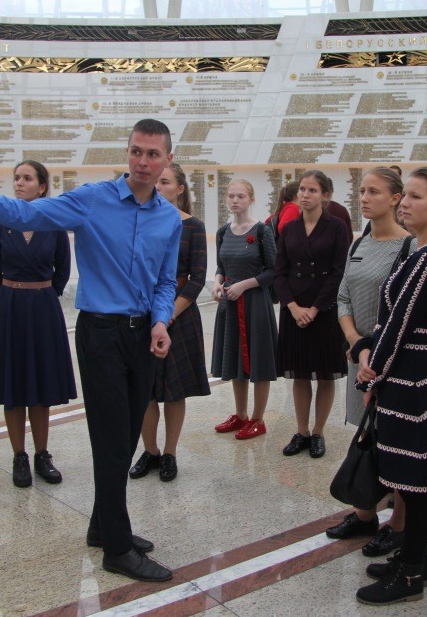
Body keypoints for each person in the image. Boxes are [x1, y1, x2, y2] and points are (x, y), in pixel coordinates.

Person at [0, 119, 181, 583]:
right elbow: (20, 214)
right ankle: (117, 549)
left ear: (168, 159)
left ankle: (102, 525)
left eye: (153, 154)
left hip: (143, 335)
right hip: (101, 333)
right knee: (109, 438)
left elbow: (165, 281)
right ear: (127, 152)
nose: (143, 162)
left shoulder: (168, 218)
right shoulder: (92, 200)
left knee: (126, 435)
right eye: (136, 151)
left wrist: (162, 320)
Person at [351, 167, 427, 605]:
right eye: (406, 196)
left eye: (415, 196)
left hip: (410, 378)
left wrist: (371, 372)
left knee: (413, 483)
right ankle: (413, 557)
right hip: (413, 373)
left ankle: (412, 571)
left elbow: (397, 326)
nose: (405, 204)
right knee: (409, 478)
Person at [0, 160, 75, 488]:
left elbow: (62, 270)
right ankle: (19, 455)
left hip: (43, 308)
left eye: (27, 178)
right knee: (13, 385)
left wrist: (44, 293)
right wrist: (11, 297)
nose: (19, 183)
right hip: (9, 309)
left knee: (41, 386)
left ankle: (42, 454)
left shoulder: (54, 224)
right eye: (17, 178)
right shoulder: (1, 225)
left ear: (42, 186)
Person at [329, 167, 410, 557]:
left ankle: (399, 523)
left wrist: (370, 348)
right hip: (358, 355)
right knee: (365, 433)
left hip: (390, 360)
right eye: (362, 190)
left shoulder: (410, 247)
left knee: (395, 441)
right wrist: (355, 341)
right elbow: (343, 297)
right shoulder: (358, 243)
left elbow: (405, 311)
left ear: (395, 199)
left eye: (374, 191)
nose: (363, 198)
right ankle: (364, 515)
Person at [131, 163, 210, 481]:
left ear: (180, 189)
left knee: (175, 391)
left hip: (180, 313)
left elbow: (198, 278)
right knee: (145, 389)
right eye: (157, 182)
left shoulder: (193, 226)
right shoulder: (140, 220)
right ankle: (149, 451)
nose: (159, 187)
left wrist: (168, 314)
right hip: (143, 312)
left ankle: (169, 453)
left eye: (165, 182)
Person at [275, 170, 351, 459]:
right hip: (294, 310)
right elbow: (280, 271)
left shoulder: (336, 227)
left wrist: (315, 308)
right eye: (302, 190)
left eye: (312, 190)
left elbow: (338, 272)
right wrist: (293, 307)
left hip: (324, 309)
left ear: (325, 195)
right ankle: (302, 431)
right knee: (300, 373)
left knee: (325, 374)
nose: (305, 195)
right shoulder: (290, 228)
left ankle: (318, 431)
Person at [211, 179, 278, 440]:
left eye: (240, 196)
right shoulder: (223, 232)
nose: (235, 200)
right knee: (235, 359)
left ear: (251, 199)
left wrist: (244, 285)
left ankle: (258, 419)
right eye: (231, 196)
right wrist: (217, 284)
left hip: (255, 304)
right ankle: (240, 415)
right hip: (230, 304)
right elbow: (221, 266)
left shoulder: (261, 231)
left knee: (258, 360)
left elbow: (273, 271)